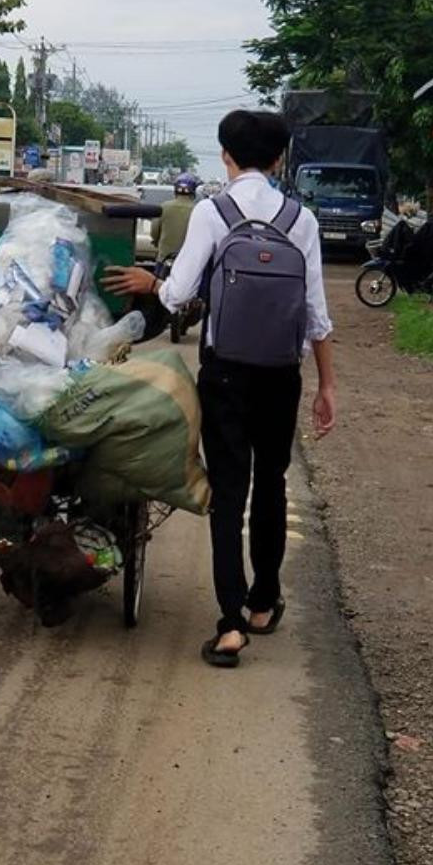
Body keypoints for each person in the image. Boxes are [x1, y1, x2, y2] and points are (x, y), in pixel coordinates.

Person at [104, 109, 336, 668]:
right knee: (273, 483)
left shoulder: (214, 211)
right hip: (281, 373)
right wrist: (326, 386)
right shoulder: (300, 219)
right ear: (280, 159)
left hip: (226, 371)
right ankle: (263, 602)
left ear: (225, 156)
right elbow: (316, 315)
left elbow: (178, 294)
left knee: (229, 494)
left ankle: (231, 626)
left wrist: (150, 282)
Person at [151, 174, 200, 263]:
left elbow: (154, 231)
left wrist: (156, 241)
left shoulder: (164, 207)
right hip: (188, 261)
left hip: (165, 258)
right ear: (193, 191)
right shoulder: (198, 210)